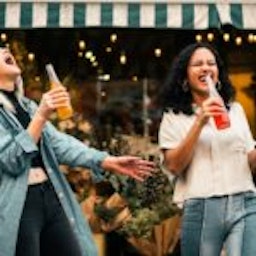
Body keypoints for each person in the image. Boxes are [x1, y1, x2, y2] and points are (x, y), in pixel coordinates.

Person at [0, 46, 155, 256]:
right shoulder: (34, 111)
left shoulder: (27, 105)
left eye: (4, 48)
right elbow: (11, 159)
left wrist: (105, 160)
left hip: (51, 193)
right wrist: (42, 115)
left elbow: (59, 144)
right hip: (18, 204)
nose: (5, 49)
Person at [158, 42, 256, 256]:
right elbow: (174, 165)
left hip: (244, 201)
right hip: (201, 206)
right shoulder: (174, 117)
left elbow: (250, 158)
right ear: (185, 77)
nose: (206, 68)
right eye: (197, 64)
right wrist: (199, 122)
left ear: (218, 75)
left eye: (211, 63)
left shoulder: (235, 110)